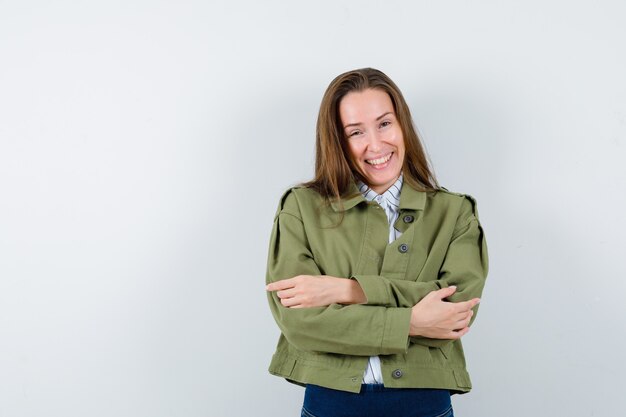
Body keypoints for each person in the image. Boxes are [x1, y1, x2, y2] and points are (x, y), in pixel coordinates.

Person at [265, 68, 488, 417]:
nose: (376, 144)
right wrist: (412, 321)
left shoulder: (455, 212)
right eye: (356, 132)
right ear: (338, 141)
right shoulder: (301, 208)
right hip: (331, 403)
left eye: (384, 124)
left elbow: (456, 312)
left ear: (403, 126)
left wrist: (347, 291)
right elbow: (300, 323)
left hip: (424, 404)